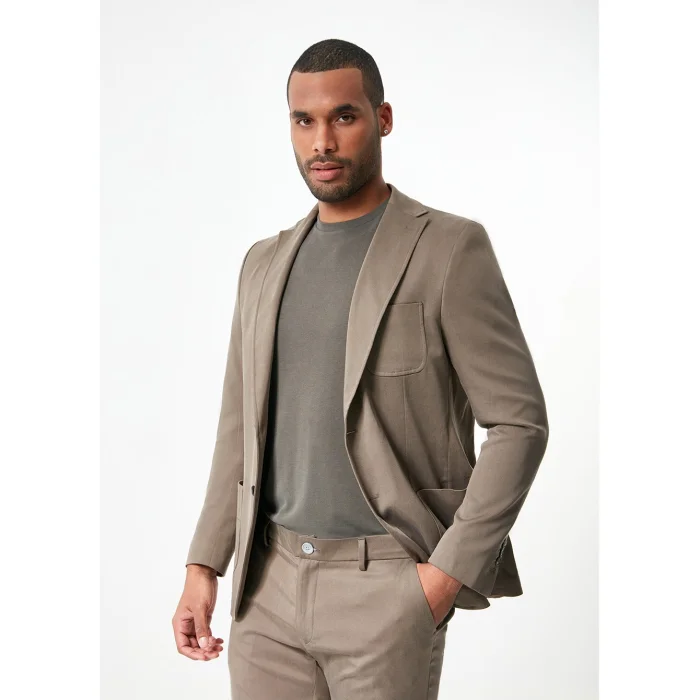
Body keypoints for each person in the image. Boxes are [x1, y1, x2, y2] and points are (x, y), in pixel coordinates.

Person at [172, 38, 549, 700]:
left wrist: (442, 578)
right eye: (304, 120)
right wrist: (204, 564)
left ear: (383, 118)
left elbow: (519, 423)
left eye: (343, 116)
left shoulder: (449, 249)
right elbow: (239, 429)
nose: (322, 141)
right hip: (266, 593)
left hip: (387, 586)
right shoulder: (263, 264)